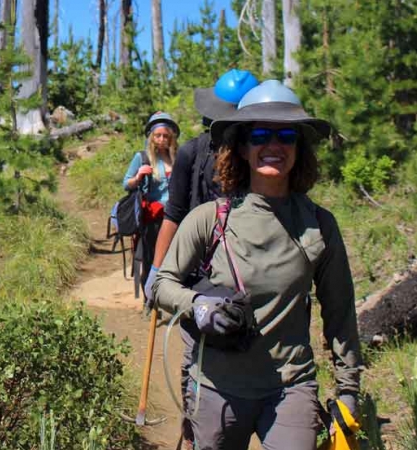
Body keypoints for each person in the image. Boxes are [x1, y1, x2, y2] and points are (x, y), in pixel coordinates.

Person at [153, 80, 364, 450]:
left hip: (291, 386)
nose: (274, 145)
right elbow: (161, 284)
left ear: (300, 147)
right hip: (217, 389)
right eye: (261, 134)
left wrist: (348, 390)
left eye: (287, 135)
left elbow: (341, 311)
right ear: (242, 148)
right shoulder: (210, 218)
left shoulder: (318, 224)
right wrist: (197, 305)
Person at [141, 69, 259, 450]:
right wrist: (158, 272)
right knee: (199, 361)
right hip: (201, 278)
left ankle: (207, 429)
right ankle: (194, 433)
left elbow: (173, 216)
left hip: (239, 279)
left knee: (219, 361)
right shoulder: (194, 152)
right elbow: (174, 216)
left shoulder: (259, 155)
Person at [122, 111, 180, 293]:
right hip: (153, 218)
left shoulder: (178, 156)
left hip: (177, 215)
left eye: (165, 135)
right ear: (151, 137)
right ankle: (150, 298)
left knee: (176, 257)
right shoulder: (142, 157)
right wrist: (139, 176)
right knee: (151, 258)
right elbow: (126, 183)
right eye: (158, 135)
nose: (162, 139)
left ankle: (171, 295)